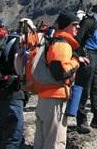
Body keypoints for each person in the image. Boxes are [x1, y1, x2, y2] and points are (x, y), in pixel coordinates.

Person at [34, 11, 87, 149]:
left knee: (41, 140)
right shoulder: (62, 45)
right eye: (74, 24)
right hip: (55, 98)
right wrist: (76, 61)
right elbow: (61, 73)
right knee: (55, 141)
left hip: (46, 96)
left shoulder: (54, 42)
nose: (78, 27)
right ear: (65, 26)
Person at [0, 19, 25, 149]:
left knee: (1, 130)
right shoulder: (13, 40)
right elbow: (18, 65)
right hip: (12, 92)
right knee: (13, 135)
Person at [74, 2, 97, 133]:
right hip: (88, 56)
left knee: (96, 87)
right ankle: (81, 121)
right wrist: (80, 56)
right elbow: (78, 39)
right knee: (84, 88)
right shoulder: (89, 22)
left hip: (94, 55)